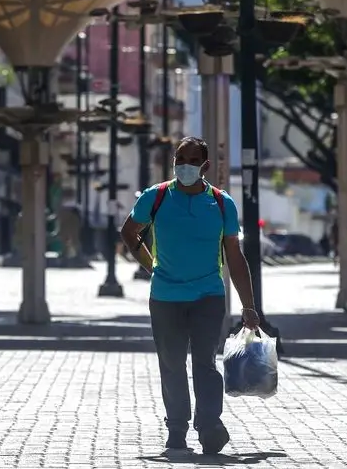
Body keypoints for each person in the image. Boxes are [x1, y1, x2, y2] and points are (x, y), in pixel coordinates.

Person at [119, 136, 259, 455]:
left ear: (205, 166)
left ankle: (209, 426)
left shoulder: (223, 203)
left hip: (208, 296)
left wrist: (249, 306)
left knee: (205, 364)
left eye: (193, 161)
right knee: (171, 364)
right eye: (180, 160)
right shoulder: (156, 197)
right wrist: (149, 264)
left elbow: (235, 257)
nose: (185, 166)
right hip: (166, 296)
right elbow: (129, 231)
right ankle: (177, 430)